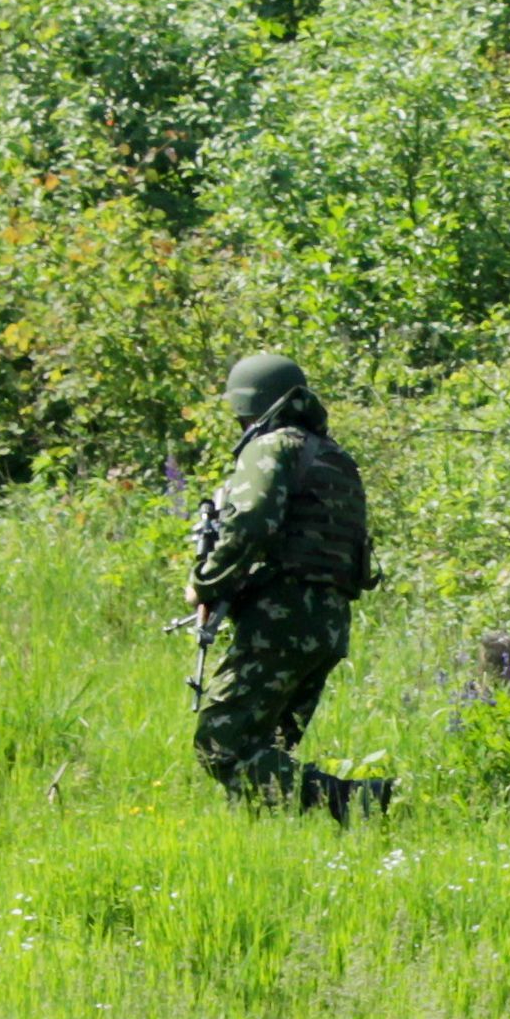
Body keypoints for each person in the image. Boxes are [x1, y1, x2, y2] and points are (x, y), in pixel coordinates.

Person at [188, 351, 387, 821]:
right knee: (267, 748)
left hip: (281, 619)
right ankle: (269, 842)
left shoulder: (272, 446)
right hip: (329, 624)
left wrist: (205, 583)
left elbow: (251, 523)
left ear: (250, 408)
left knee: (222, 741)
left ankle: (363, 803)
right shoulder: (335, 456)